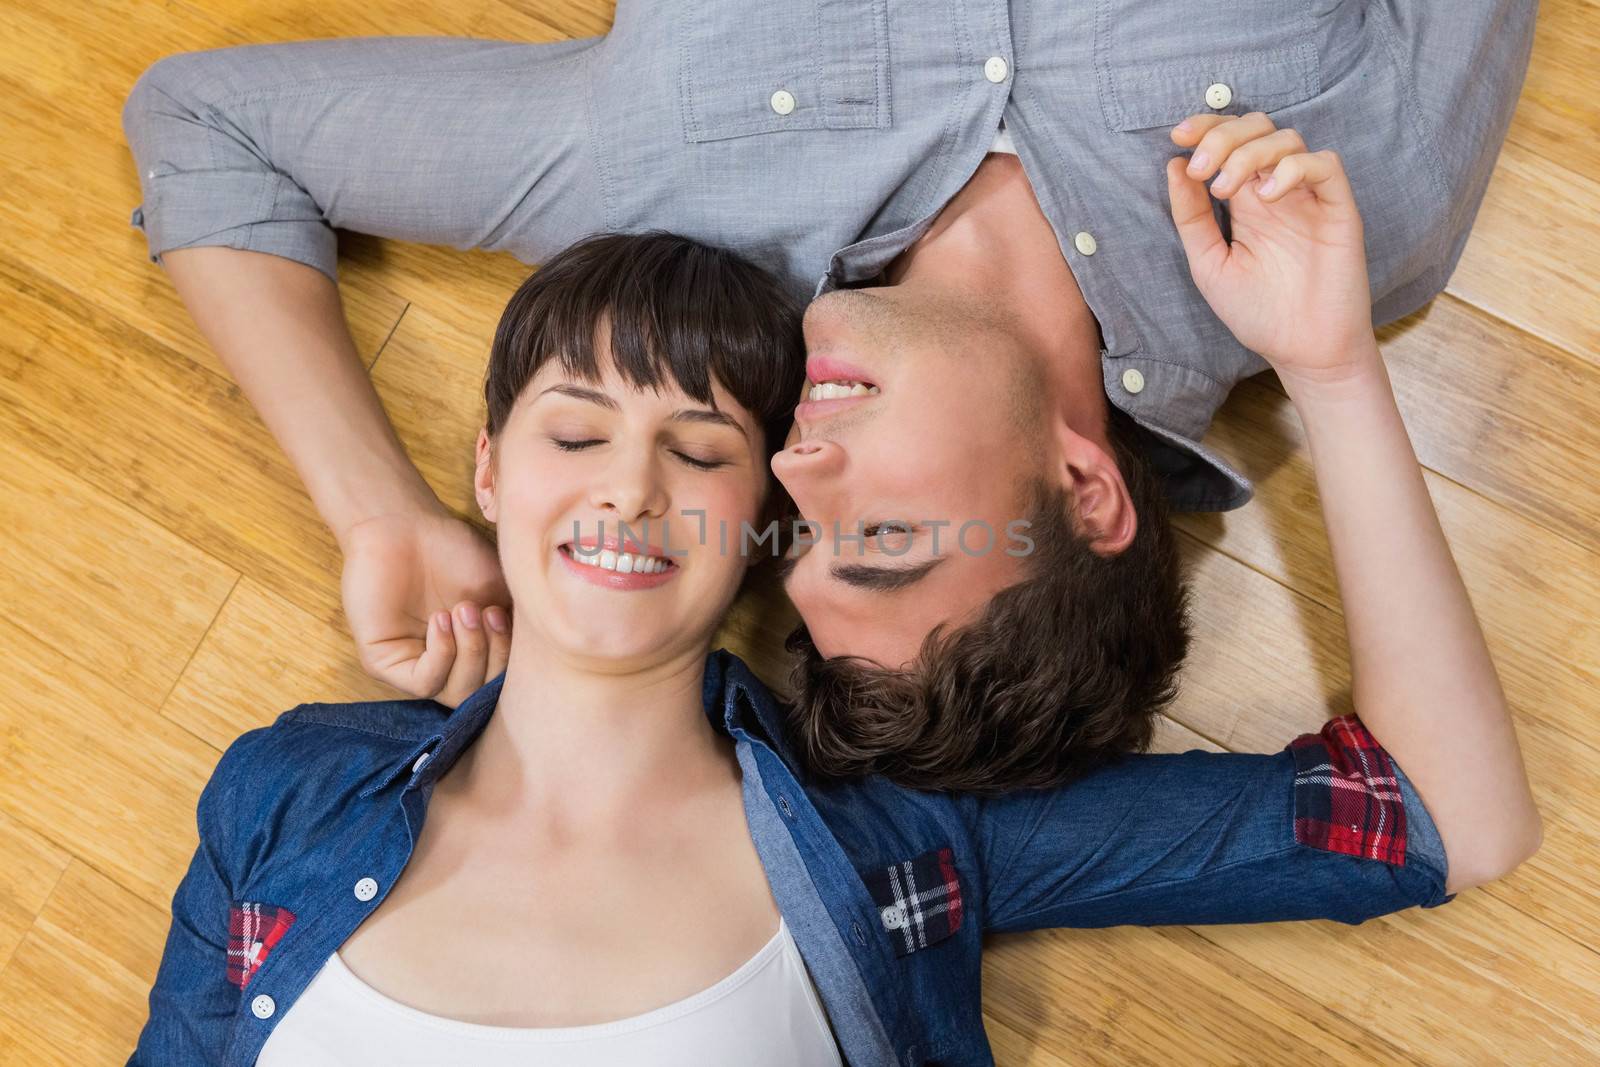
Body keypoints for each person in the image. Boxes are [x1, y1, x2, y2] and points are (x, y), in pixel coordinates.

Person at [127, 170, 1540, 1065]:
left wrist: (1336, 374)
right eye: (572, 439)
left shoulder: (904, 834)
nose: (627, 495)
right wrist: (382, 514)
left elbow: (1431, 817)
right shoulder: (286, 791)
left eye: (698, 456)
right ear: (490, 471)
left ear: (760, 530)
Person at [118, 1, 1540, 791]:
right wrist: (1334, 366)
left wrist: (375, 513)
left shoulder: (654, 183)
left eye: (794, 541)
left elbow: (210, 125)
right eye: (884, 540)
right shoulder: (1363, 211)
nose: (793, 477)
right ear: (1088, 487)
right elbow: (1445, 813)